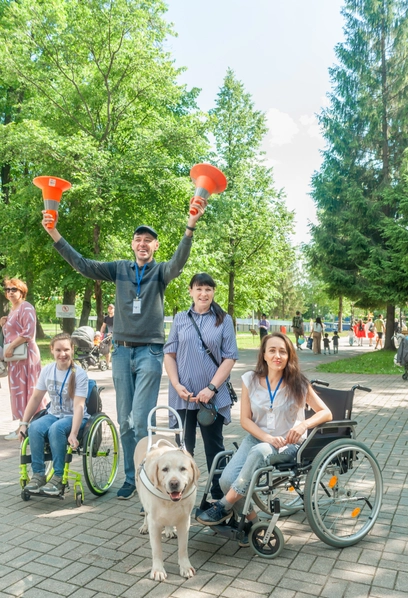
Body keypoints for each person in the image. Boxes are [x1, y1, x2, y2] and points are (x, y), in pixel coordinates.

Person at [41, 198, 206, 499]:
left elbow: (179, 261)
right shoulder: (119, 269)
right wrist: (54, 232)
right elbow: (83, 265)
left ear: (155, 246)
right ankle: (132, 478)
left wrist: (190, 225)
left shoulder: (161, 272)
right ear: (132, 244)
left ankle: (146, 479)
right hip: (120, 352)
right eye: (138, 239)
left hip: (150, 353)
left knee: (141, 421)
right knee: (125, 422)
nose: (143, 244)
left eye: (148, 240)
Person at [196, 332, 332, 534]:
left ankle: (223, 506)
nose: (278, 355)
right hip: (257, 439)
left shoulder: (299, 383)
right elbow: (245, 420)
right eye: (272, 350)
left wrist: (303, 425)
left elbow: (326, 413)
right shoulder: (250, 380)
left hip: (287, 444)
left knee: (260, 452)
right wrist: (267, 438)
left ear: (289, 356)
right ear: (264, 355)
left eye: (283, 351)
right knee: (226, 481)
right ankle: (255, 523)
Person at [163, 273, 238, 499]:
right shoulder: (180, 319)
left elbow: (230, 357)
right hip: (183, 397)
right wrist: (176, 385)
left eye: (208, 289)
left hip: (212, 398)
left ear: (213, 292)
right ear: (191, 291)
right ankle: (180, 495)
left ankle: (219, 497)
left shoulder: (224, 320)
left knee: (214, 448)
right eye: (199, 289)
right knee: (182, 450)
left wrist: (211, 388)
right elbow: (169, 354)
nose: (203, 294)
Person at [18, 333, 89, 495]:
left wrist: (74, 433)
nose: (62, 354)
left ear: (72, 349)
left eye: (66, 350)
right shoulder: (48, 370)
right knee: (35, 427)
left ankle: (58, 476)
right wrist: (23, 423)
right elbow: (36, 398)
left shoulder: (79, 374)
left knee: (56, 429)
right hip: (54, 414)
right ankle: (38, 475)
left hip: (74, 417)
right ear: (51, 350)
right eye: (58, 350)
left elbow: (79, 406)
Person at [0, 278, 47, 440]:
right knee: (19, 391)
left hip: (27, 357)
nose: (10, 292)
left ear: (22, 292)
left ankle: (31, 425)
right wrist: (3, 324)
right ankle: (22, 425)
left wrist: (11, 347)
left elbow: (28, 332)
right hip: (16, 358)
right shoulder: (12, 309)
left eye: (14, 289)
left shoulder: (26, 307)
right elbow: (12, 332)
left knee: (30, 390)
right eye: (7, 290)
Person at [100, 303, 114, 368]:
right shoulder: (106, 318)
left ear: (114, 309)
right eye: (109, 308)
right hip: (107, 335)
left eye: (111, 308)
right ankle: (107, 364)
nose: (110, 309)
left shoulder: (116, 318)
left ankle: (108, 364)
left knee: (108, 349)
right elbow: (103, 326)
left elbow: (118, 327)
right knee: (105, 349)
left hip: (114, 335)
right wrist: (100, 334)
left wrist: (112, 333)